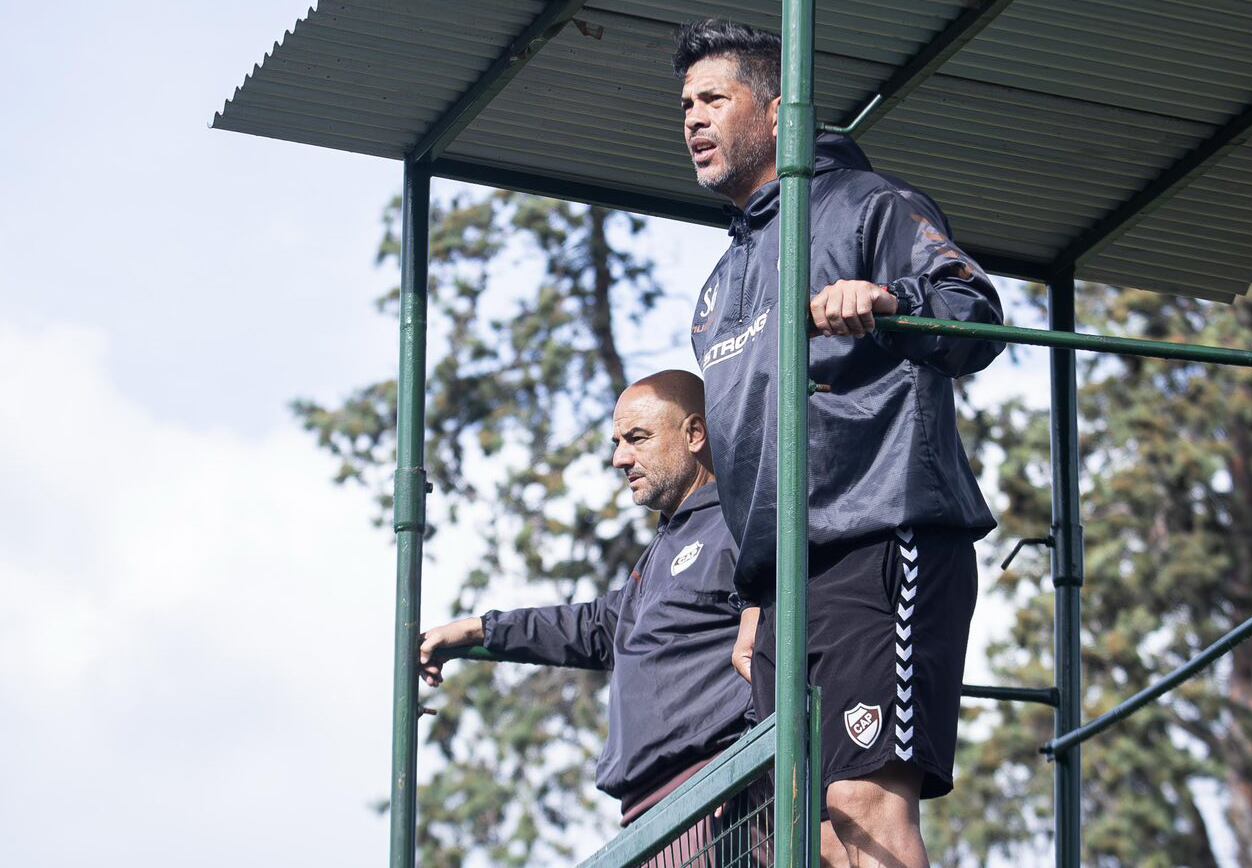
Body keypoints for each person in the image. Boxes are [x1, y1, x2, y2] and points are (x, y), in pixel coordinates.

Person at [673, 19, 1005, 868]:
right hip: (784, 579)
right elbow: (753, 454)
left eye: (714, 98)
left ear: (778, 112)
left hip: (882, 531)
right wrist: (755, 591)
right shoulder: (718, 286)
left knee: (865, 806)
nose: (694, 117)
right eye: (686, 105)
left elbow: (975, 315)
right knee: (815, 833)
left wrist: (892, 301)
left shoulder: (868, 204)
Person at [417, 370, 762, 863]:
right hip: (652, 815)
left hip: (718, 794)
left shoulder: (740, 523)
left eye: (637, 438)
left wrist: (747, 770)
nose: (620, 457)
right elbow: (595, 626)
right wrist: (479, 629)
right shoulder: (661, 551)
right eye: (618, 443)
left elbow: (786, 644)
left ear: (694, 433)